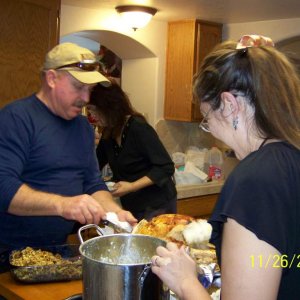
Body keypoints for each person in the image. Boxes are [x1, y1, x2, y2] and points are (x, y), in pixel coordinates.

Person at [150, 35, 300, 300]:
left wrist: (185, 281)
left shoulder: (256, 179)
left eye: (207, 117)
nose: (211, 130)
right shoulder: (291, 159)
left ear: (230, 105)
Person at [0, 43, 137, 272]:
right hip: (7, 254)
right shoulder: (16, 118)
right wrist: (64, 205)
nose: (85, 97)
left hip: (56, 251)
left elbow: (92, 182)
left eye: (89, 89)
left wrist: (115, 213)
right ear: (52, 78)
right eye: (78, 87)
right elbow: (3, 188)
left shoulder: (82, 127)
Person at [89, 80, 177, 221]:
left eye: (94, 110)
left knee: (154, 242)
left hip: (157, 204)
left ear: (108, 107)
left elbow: (165, 167)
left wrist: (132, 186)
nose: (92, 115)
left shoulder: (138, 128)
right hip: (133, 204)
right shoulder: (109, 133)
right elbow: (94, 164)